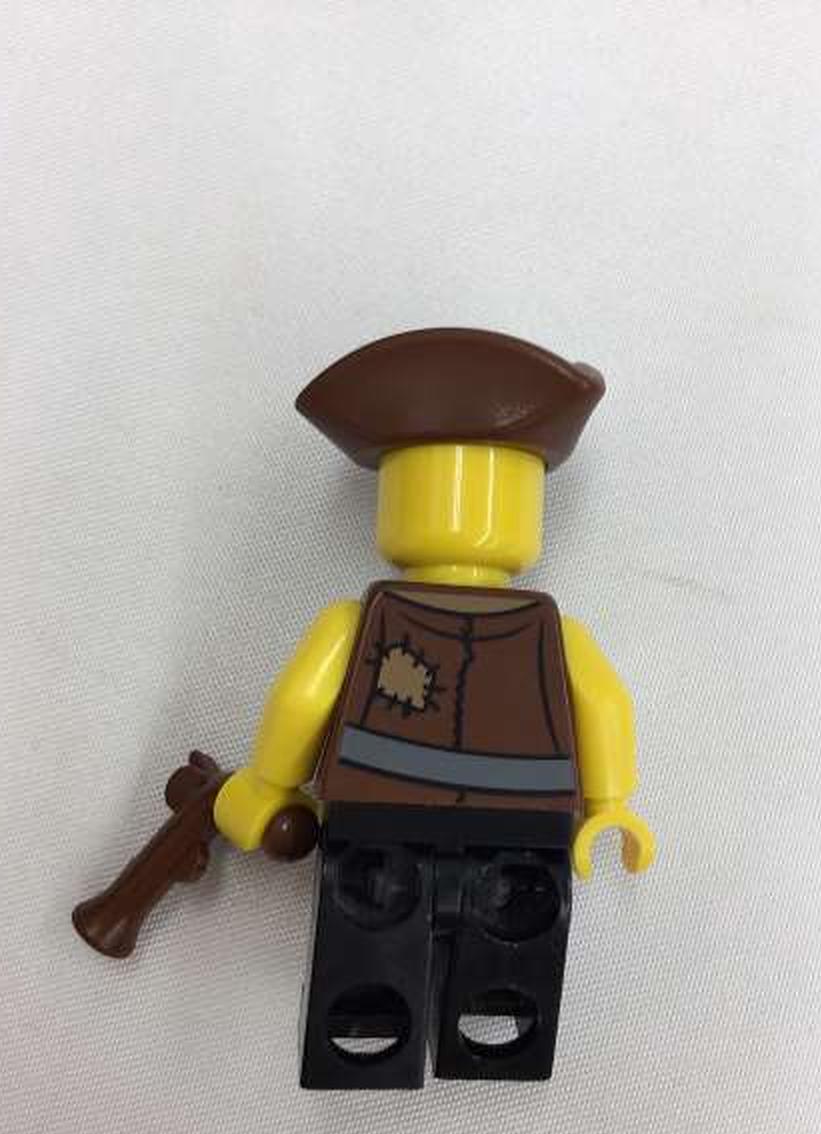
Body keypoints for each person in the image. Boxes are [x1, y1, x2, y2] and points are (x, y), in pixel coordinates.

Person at [214, 327, 655, 1088]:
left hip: (386, 814)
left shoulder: (362, 621)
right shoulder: (549, 632)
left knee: (385, 924)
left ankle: (380, 1032)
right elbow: (605, 702)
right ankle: (447, 1026)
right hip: (505, 822)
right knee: (496, 931)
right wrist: (612, 803)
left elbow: (300, 698)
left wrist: (266, 784)